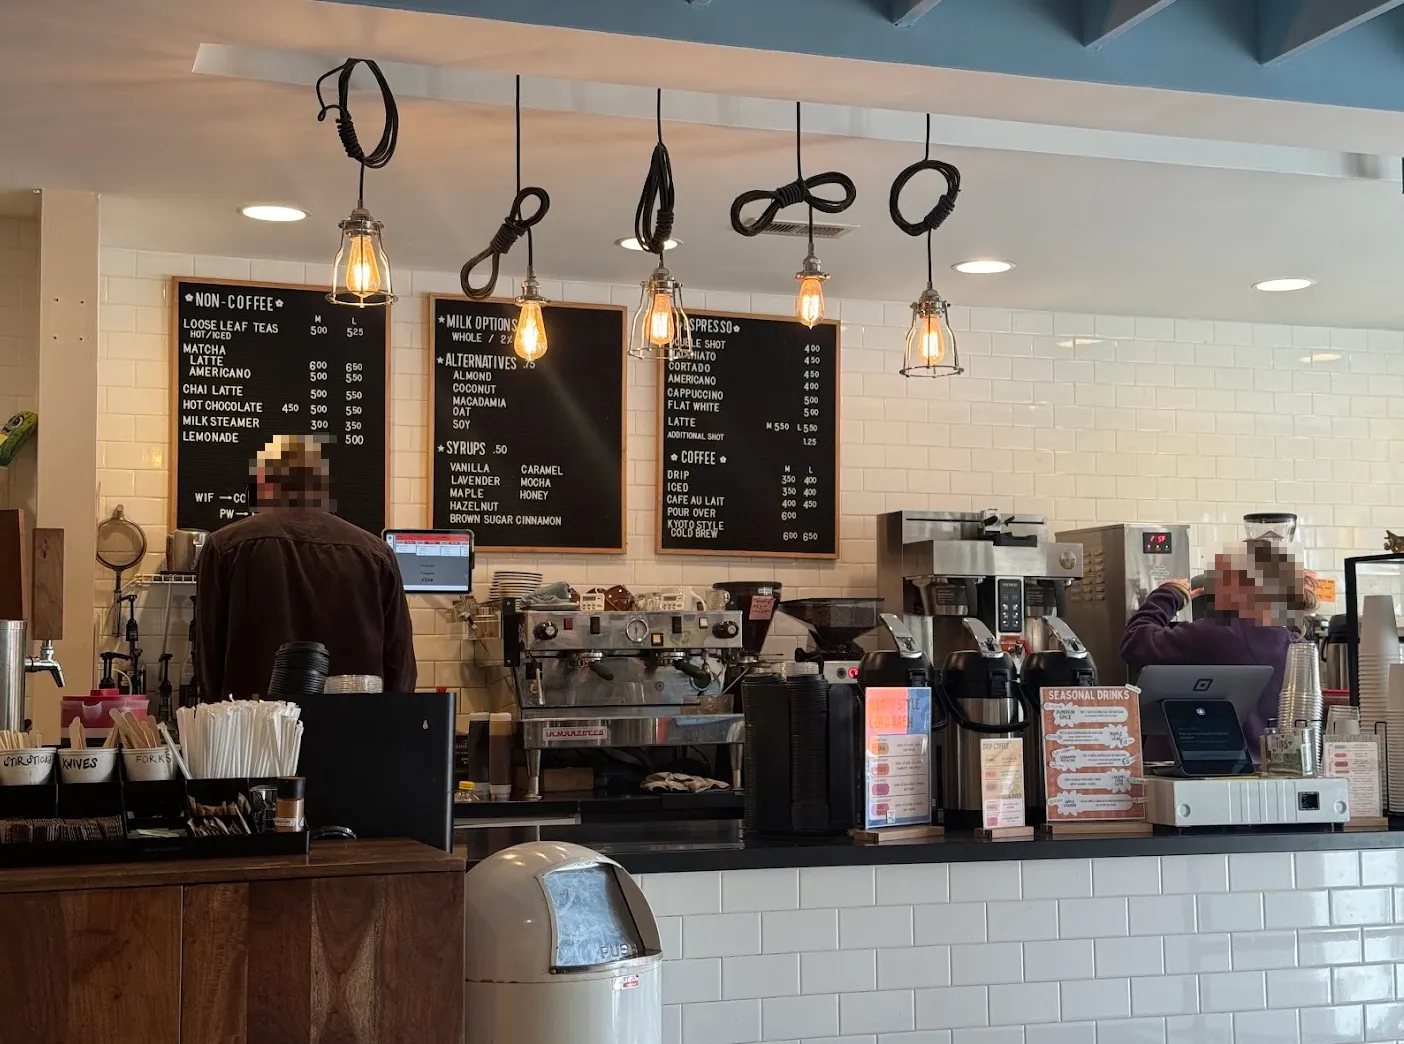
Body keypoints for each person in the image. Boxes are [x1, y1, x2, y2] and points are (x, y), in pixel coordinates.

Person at [195, 435, 416, 699]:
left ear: (263, 483)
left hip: (256, 729)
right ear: (322, 486)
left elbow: (208, 653)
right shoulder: (376, 554)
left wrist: (218, 714)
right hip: (354, 727)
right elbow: (399, 662)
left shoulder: (225, 546)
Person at [1120, 538, 1313, 747]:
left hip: (1197, 768)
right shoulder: (1298, 647)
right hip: (1265, 767)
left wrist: (1167, 596)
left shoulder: (1215, 633)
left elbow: (1136, 642)